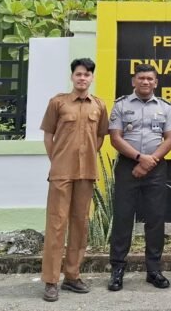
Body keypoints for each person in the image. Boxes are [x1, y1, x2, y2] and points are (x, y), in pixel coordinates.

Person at [40, 58, 110, 302]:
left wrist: (88, 157)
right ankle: (51, 280)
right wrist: (57, 159)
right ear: (73, 77)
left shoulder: (98, 106)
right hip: (61, 172)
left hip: (86, 173)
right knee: (56, 224)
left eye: (87, 75)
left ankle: (72, 275)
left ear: (91, 78)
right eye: (79, 74)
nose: (83, 78)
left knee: (80, 225)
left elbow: (100, 137)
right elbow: (49, 135)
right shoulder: (58, 103)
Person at [107, 63, 171, 292]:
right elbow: (115, 138)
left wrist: (149, 162)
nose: (145, 82)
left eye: (150, 78)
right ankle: (117, 269)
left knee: (155, 220)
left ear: (156, 82)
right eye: (141, 78)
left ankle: (154, 270)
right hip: (128, 166)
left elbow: (169, 139)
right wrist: (139, 158)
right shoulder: (121, 105)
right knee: (123, 219)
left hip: (155, 168)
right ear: (133, 81)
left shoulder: (165, 107)